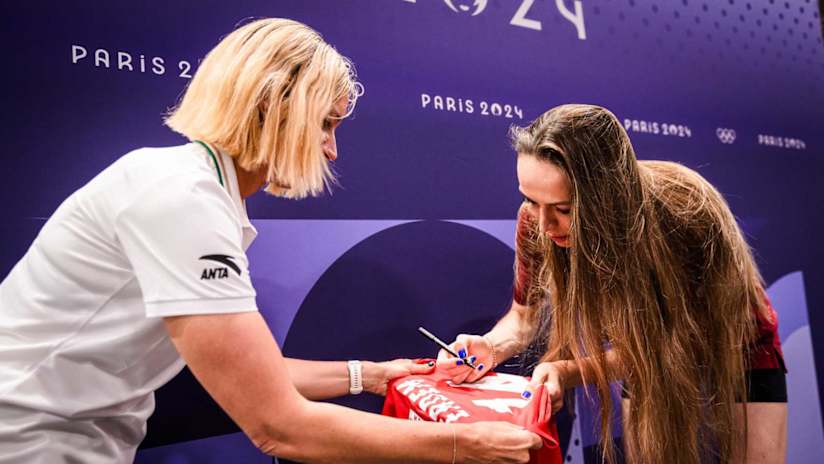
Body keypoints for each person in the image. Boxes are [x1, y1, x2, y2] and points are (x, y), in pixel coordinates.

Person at [0, 18, 542, 463]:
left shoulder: (196, 190)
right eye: (325, 125)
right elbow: (279, 427)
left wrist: (376, 376)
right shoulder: (182, 201)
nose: (330, 151)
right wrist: (464, 444)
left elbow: (251, 372)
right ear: (272, 109)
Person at [437, 104, 787, 463]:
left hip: (734, 336)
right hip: (639, 349)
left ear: (608, 197)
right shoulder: (536, 220)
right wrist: (490, 348)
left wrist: (567, 370)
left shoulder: (686, 211)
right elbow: (524, 318)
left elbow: (675, 344)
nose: (543, 225)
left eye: (566, 209)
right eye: (530, 200)